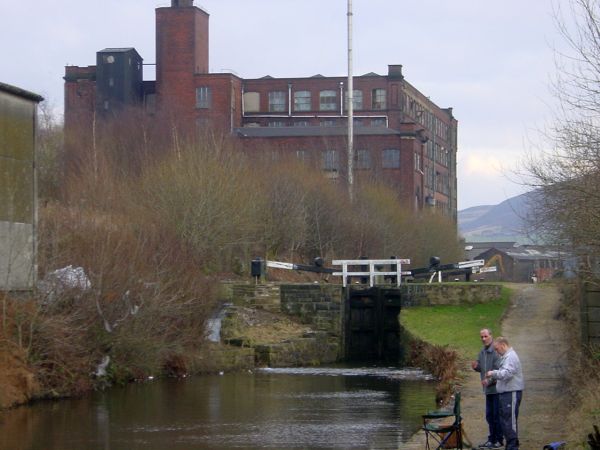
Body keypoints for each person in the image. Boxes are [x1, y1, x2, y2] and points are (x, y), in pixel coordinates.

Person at [486, 336, 525, 450]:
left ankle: (512, 446)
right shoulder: (506, 357)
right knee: (505, 420)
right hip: (505, 393)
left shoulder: (511, 357)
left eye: (497, 349)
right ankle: (510, 444)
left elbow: (506, 374)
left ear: (503, 345)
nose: (497, 352)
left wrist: (493, 373)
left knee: (510, 421)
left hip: (511, 392)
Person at [471, 328, 503, 449]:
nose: (483, 339)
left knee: (496, 415)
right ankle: (492, 439)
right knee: (489, 415)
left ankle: (498, 440)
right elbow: (482, 368)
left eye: (485, 336)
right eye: (482, 337)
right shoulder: (482, 352)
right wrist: (476, 367)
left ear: (491, 336)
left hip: (497, 389)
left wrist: (488, 381)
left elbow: (499, 372)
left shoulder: (496, 352)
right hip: (488, 390)